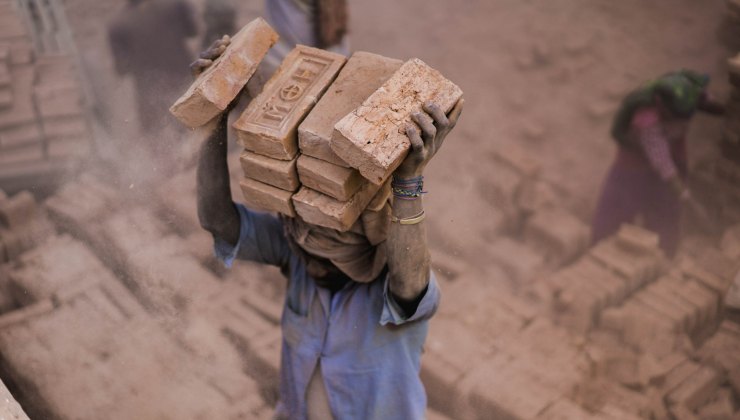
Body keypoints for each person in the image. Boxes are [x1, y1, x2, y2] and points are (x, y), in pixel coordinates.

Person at [193, 39, 464, 419]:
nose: (307, 241)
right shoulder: (296, 252)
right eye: (302, 229)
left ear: (366, 235)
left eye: (330, 234)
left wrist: (408, 181)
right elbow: (219, 221)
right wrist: (214, 120)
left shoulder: (394, 289)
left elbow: (408, 281)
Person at [592, 69, 725, 256]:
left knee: (665, 214)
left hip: (673, 155)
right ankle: (601, 252)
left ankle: (662, 255)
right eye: (674, 118)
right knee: (616, 214)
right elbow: (662, 163)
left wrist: (730, 110)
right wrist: (687, 198)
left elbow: (706, 102)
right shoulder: (646, 120)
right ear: (661, 106)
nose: (680, 122)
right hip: (633, 167)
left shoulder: (687, 91)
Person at [108, 0, 197, 155]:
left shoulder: (117, 24)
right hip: (182, 78)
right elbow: (192, 31)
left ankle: (170, 171)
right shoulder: (175, 4)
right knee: (193, 126)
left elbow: (121, 68)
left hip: (148, 91)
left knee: (156, 138)